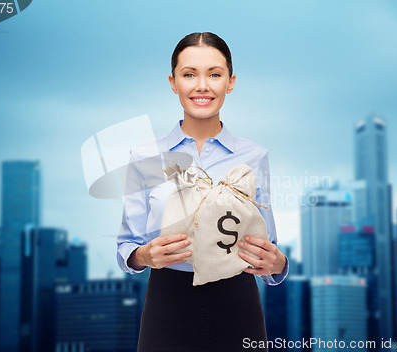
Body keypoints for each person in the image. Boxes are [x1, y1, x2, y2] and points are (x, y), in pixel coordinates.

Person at [116, 32, 289, 352]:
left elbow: (269, 248)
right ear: (173, 82)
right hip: (166, 303)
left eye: (214, 74)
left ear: (231, 81)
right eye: (189, 74)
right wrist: (144, 256)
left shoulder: (254, 156)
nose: (202, 86)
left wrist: (277, 263)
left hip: (237, 303)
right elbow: (128, 244)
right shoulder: (145, 156)